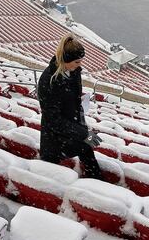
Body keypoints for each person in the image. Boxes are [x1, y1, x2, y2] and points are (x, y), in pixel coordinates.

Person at [37, 34, 102, 179]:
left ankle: (96, 179)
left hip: (72, 124)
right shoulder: (48, 81)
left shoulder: (74, 71)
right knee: (86, 144)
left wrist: (83, 127)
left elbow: (72, 98)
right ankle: (95, 181)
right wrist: (82, 133)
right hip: (55, 136)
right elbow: (53, 119)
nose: (80, 65)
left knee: (90, 143)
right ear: (66, 60)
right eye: (77, 61)